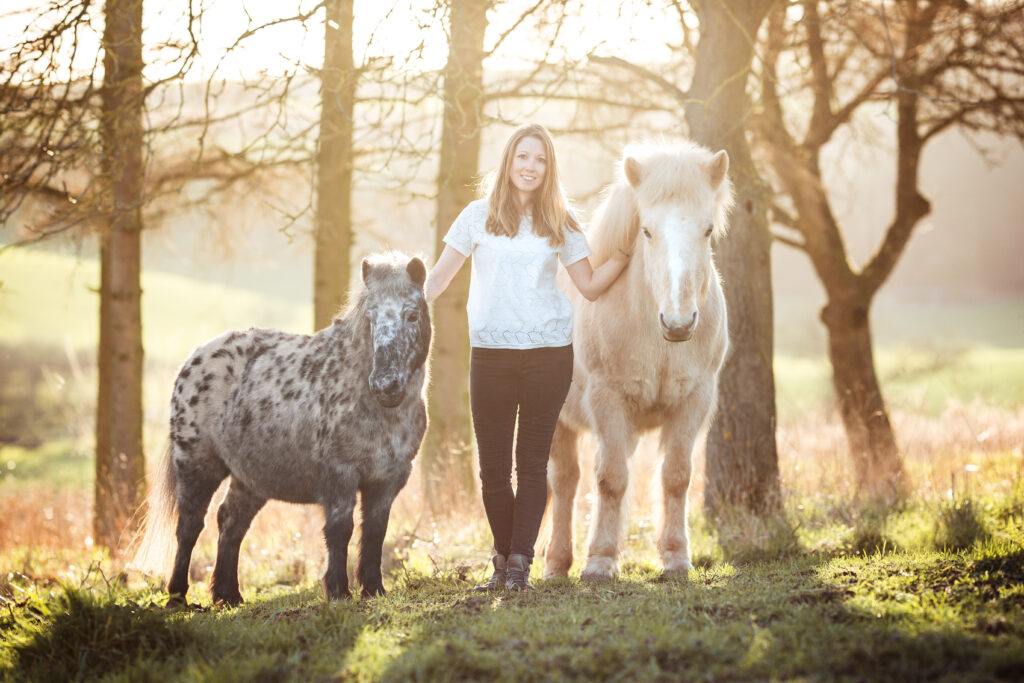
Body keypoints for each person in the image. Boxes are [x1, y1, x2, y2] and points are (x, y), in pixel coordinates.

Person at [424, 123, 629, 592]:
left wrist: (624, 253)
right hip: (491, 356)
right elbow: (437, 282)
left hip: (547, 357)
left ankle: (518, 565)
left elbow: (591, 287)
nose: (530, 167)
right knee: (493, 468)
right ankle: (504, 558)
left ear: (548, 167)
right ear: (508, 162)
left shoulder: (561, 222)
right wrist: (398, 302)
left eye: (540, 160)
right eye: (523, 157)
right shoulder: (476, 217)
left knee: (532, 465)